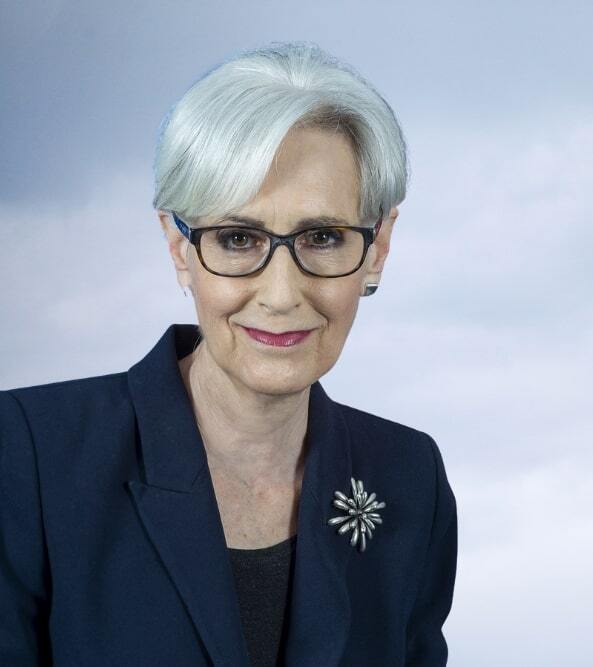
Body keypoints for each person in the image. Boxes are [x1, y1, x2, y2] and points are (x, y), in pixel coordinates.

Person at [0, 42, 457, 666]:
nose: (281, 295)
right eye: (238, 239)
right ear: (178, 246)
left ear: (377, 248)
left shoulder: (409, 477)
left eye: (324, 237)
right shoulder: (25, 455)